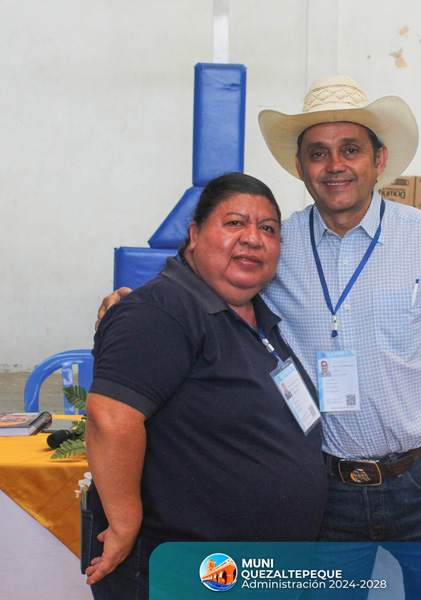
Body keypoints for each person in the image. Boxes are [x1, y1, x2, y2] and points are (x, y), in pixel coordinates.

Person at [99, 76, 421, 599]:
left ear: (379, 160)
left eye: (350, 149)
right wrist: (128, 306)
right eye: (318, 153)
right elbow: (204, 272)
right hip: (327, 486)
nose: (334, 165)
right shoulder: (275, 243)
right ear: (299, 166)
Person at [84, 172, 327, 599]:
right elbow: (109, 418)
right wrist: (123, 522)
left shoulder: (256, 315)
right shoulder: (162, 309)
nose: (253, 238)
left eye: (268, 229)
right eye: (235, 223)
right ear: (194, 234)